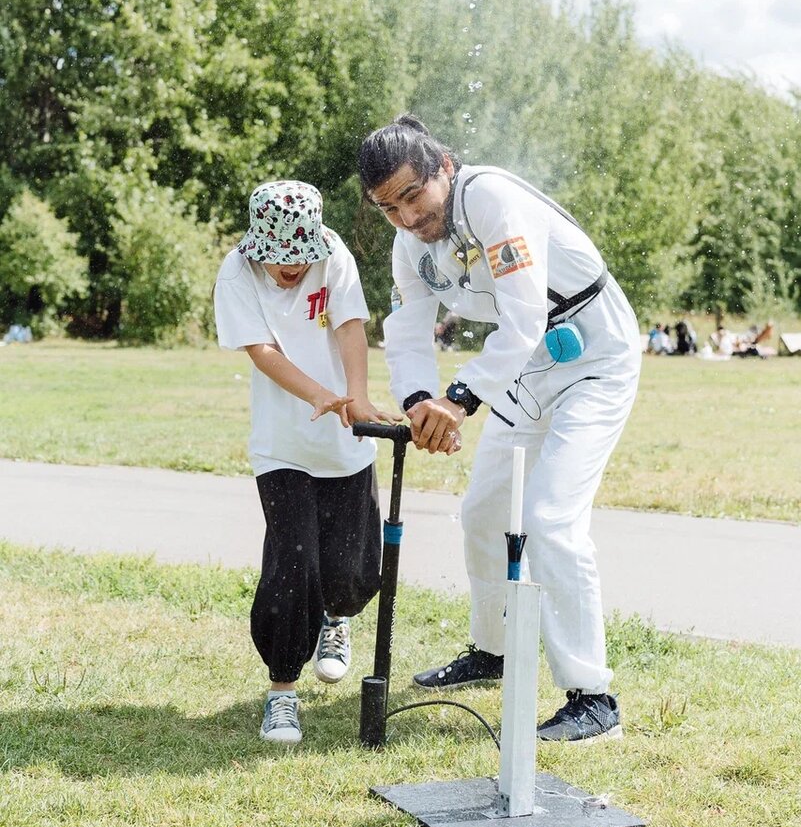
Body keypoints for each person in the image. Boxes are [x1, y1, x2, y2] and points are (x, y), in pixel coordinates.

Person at [358, 115, 641, 743]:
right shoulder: (409, 245)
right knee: (483, 511)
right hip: (527, 366)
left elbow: (522, 315)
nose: (405, 217)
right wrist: (419, 403)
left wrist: (458, 399)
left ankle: (594, 698)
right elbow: (405, 329)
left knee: (549, 518)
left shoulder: (491, 198)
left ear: (445, 168)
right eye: (388, 207)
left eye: (412, 195)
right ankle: (494, 650)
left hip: (593, 355)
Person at [214, 180, 393, 745]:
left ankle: (335, 620)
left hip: (344, 442)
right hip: (281, 446)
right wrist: (318, 393)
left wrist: (356, 396)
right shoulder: (237, 272)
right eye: (279, 258)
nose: (290, 269)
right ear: (260, 245)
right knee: (293, 564)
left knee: (349, 571)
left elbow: (349, 326)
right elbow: (262, 350)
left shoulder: (333, 254)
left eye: (299, 258)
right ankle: (282, 693)